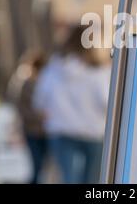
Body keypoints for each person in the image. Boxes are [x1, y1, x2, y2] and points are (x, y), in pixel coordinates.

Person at [34, 26, 110, 184]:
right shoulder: (99, 72)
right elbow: (107, 102)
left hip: (61, 131)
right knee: (92, 180)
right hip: (94, 132)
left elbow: (39, 103)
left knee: (69, 178)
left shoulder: (52, 70)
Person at [7, 51, 48, 184]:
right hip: (31, 129)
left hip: (45, 130)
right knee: (36, 164)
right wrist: (39, 117)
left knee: (43, 165)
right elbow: (21, 107)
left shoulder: (44, 82)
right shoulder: (24, 83)